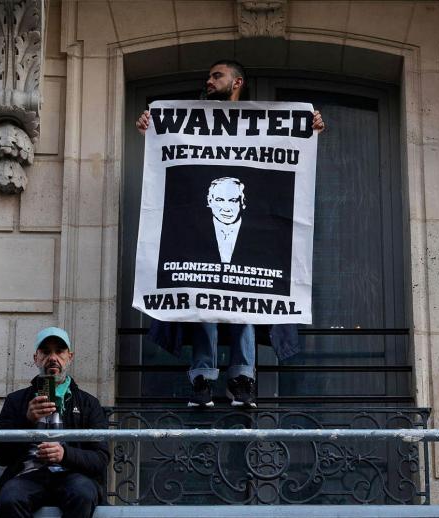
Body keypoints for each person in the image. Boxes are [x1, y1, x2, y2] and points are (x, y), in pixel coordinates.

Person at [136, 60, 325, 408]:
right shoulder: (188, 122)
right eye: (208, 75)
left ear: (237, 82)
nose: (209, 81)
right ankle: (204, 379)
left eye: (216, 75)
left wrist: (308, 127)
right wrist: (151, 125)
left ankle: (241, 378)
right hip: (199, 243)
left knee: (245, 302)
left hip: (251, 245)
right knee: (204, 300)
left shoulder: (261, 126)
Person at [0, 327, 109, 518]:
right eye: (45, 352)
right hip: (28, 476)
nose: (53, 358)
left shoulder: (88, 403)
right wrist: (26, 421)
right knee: (10, 498)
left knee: (83, 494)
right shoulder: (16, 401)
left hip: (73, 475)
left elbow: (101, 459)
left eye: (59, 351)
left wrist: (65, 454)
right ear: (36, 358)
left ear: (69, 357)